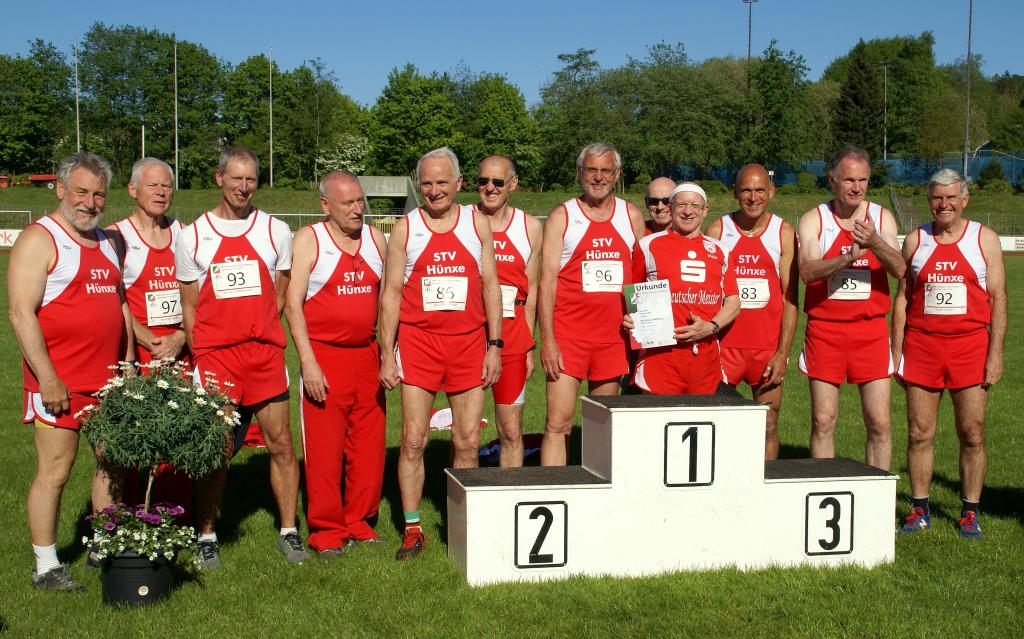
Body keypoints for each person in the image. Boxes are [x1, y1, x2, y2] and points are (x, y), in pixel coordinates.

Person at [175, 147, 310, 567]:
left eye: (250, 179)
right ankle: (207, 535)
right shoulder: (193, 235)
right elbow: (191, 306)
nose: (243, 187)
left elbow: (282, 288)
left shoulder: (275, 230)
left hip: (264, 356)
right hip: (217, 361)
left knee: (282, 446)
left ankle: (288, 531)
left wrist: (262, 330)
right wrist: (206, 352)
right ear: (219, 179)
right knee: (215, 451)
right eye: (235, 178)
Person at [9, 153, 133, 591]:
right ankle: (46, 565)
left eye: (98, 193)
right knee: (56, 472)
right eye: (81, 192)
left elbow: (120, 306)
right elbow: (21, 314)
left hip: (108, 383)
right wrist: (47, 378)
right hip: (59, 383)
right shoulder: (39, 239)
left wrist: (129, 365)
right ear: (61, 190)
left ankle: (103, 543)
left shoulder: (108, 241)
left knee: (111, 464)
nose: (90, 201)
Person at [378, 147, 502, 560]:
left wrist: (494, 346)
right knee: (413, 439)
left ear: (459, 183)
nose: (434, 191)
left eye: (442, 182)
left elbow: (490, 288)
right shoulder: (405, 229)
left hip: (468, 345)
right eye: (427, 183)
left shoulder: (476, 222)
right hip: (419, 345)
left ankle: (462, 524)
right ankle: (412, 529)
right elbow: (391, 294)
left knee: (468, 440)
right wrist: (385, 353)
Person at [892, 169, 1006, 539]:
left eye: (951, 198)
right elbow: (903, 300)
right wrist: (897, 352)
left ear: (964, 200)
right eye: (937, 198)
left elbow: (999, 299)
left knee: (971, 433)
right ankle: (920, 507)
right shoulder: (915, 240)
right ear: (930, 201)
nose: (944, 205)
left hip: (970, 348)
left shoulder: (984, 240)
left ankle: (970, 511)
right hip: (922, 348)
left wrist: (996, 354)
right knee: (919, 432)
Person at [285, 171, 388, 556]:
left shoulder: (376, 239)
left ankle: (359, 519)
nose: (358, 209)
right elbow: (292, 305)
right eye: (348, 203)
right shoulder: (309, 241)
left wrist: (388, 353)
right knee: (326, 448)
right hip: (325, 356)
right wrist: (308, 362)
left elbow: (389, 299)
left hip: (367, 354)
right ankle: (326, 529)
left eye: (360, 201)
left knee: (369, 444)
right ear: (326, 206)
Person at [796, 146, 905, 470]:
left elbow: (900, 268)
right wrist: (847, 258)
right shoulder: (814, 219)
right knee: (823, 420)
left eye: (863, 180)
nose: (857, 187)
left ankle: (878, 496)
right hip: (825, 332)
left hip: (869, 330)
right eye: (849, 180)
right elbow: (806, 271)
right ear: (832, 180)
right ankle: (824, 490)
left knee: (880, 423)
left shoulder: (881, 217)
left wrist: (874, 242)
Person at [539, 143, 645, 466]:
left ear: (617, 175)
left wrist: (639, 323)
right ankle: (554, 497)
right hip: (568, 338)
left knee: (601, 427)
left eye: (605, 171)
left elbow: (640, 281)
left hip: (612, 340)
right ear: (580, 173)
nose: (598, 177)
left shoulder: (632, 216)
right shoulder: (563, 216)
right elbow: (547, 282)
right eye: (591, 170)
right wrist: (547, 340)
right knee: (558, 425)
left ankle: (596, 501)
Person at [106, 157, 191, 520]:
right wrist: (143, 338)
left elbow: (198, 292)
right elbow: (112, 298)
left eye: (166, 186)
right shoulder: (117, 236)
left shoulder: (183, 232)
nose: (160, 192)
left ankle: (174, 514)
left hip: (181, 352)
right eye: (152, 185)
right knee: (135, 441)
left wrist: (183, 335)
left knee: (179, 437)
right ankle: (127, 516)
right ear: (132, 190)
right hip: (139, 355)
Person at [706, 164, 798, 459]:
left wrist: (782, 353)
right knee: (718, 425)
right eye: (746, 190)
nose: (753, 197)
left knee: (768, 424)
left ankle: (764, 497)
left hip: (765, 350)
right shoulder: (719, 230)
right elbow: (709, 293)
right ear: (734, 192)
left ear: (771, 192)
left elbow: (790, 299)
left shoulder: (783, 232)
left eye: (760, 190)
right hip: (725, 348)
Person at [625, 183, 740, 394]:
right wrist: (629, 317)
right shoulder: (647, 245)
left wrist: (710, 326)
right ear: (670, 207)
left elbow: (733, 301)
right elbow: (631, 294)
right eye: (682, 204)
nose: (688, 211)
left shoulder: (721, 250)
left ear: (705, 210)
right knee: (658, 425)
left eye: (695, 205)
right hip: (659, 361)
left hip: (706, 362)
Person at [474, 155, 542, 467]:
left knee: (512, 431)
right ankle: (466, 506)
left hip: (513, 335)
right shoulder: (465, 220)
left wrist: (528, 345)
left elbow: (532, 292)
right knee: (466, 434)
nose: (489, 188)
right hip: (471, 333)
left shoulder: (529, 226)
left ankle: (508, 499)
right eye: (483, 181)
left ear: (512, 184)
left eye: (498, 182)